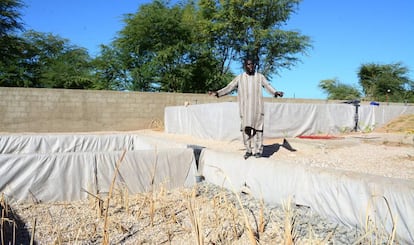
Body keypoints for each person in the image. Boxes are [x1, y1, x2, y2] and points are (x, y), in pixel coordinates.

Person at [209, 59, 284, 159]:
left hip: (257, 108)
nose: (251, 66)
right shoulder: (240, 78)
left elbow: (267, 85)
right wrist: (218, 93)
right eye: (248, 64)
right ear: (245, 66)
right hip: (245, 109)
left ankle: (258, 151)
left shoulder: (259, 77)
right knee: (246, 130)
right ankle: (248, 150)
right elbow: (230, 87)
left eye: (252, 64)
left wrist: (275, 92)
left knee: (258, 130)